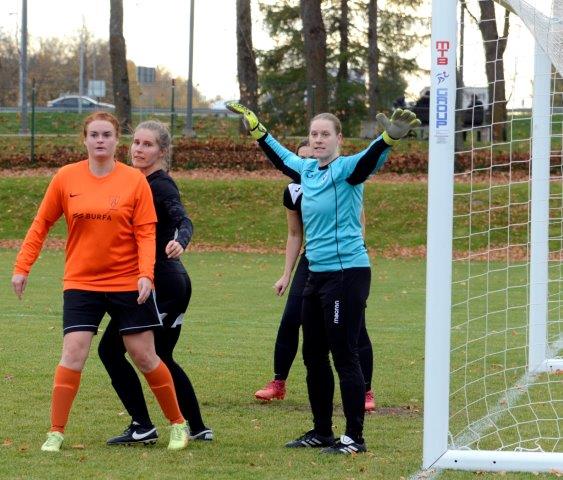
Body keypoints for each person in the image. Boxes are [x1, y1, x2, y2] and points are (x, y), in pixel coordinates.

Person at [227, 102, 419, 455]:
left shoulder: (347, 169)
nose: (318, 139)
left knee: (344, 355)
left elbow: (368, 160)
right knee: (313, 355)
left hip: (347, 274)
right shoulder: (306, 170)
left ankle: (354, 438)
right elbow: (280, 156)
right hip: (315, 273)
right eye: (314, 134)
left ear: (338, 139)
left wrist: (387, 140)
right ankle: (322, 432)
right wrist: (257, 129)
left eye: (325, 134)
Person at [11, 112, 189, 452]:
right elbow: (41, 224)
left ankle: (178, 424)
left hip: (127, 282)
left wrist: (145, 274)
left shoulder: (134, 181)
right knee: (72, 354)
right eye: (94, 135)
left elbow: (146, 233)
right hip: (81, 282)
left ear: (116, 140)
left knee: (145, 356)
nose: (100, 140)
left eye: (107, 134)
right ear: (85, 139)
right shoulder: (66, 178)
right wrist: (22, 266)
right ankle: (56, 432)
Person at [98, 120, 213, 445]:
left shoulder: (160, 185)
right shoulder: (134, 182)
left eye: (147, 144)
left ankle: (143, 425)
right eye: (136, 142)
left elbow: (182, 219)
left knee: (112, 351)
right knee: (159, 354)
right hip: (163, 282)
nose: (138, 149)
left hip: (163, 284)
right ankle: (196, 427)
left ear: (162, 151)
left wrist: (181, 240)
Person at [254, 139, 376, 413]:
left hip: (344, 262)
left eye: (313, 157)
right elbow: (294, 234)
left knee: (355, 327)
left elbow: (359, 221)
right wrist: (286, 274)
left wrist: (355, 255)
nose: (309, 163)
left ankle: (366, 390)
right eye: (303, 159)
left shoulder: (341, 180)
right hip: (312, 259)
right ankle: (278, 382)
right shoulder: (293, 191)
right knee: (291, 318)